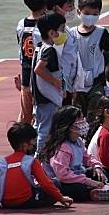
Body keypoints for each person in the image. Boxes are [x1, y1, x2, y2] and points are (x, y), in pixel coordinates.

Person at [42, 106, 109, 202]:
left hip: (77, 176)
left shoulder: (78, 141)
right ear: (70, 126)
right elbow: (63, 175)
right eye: (80, 120)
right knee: (77, 189)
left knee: (96, 173)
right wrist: (88, 181)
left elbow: (88, 157)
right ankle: (94, 192)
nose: (84, 122)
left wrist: (97, 166)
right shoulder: (62, 148)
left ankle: (101, 188)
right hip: (61, 181)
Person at [0, 122, 73, 208]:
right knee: (55, 183)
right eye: (33, 140)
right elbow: (45, 183)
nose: (34, 143)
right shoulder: (31, 161)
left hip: (6, 202)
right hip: (26, 201)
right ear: (25, 145)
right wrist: (61, 198)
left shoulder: (1, 163)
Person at [15, 0, 50, 124]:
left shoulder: (21, 24)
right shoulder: (46, 24)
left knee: (25, 116)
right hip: (42, 77)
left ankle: (19, 142)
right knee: (42, 115)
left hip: (26, 74)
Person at [32, 12, 66, 154]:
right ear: (52, 32)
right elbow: (38, 69)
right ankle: (38, 159)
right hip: (47, 98)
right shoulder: (49, 50)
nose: (64, 33)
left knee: (40, 127)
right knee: (45, 131)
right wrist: (56, 82)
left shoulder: (39, 46)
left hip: (40, 97)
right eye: (62, 29)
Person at [45, 0, 79, 105]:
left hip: (68, 85)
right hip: (59, 88)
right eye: (69, 6)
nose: (72, 9)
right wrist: (62, 87)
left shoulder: (66, 29)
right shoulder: (56, 33)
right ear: (56, 8)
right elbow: (56, 62)